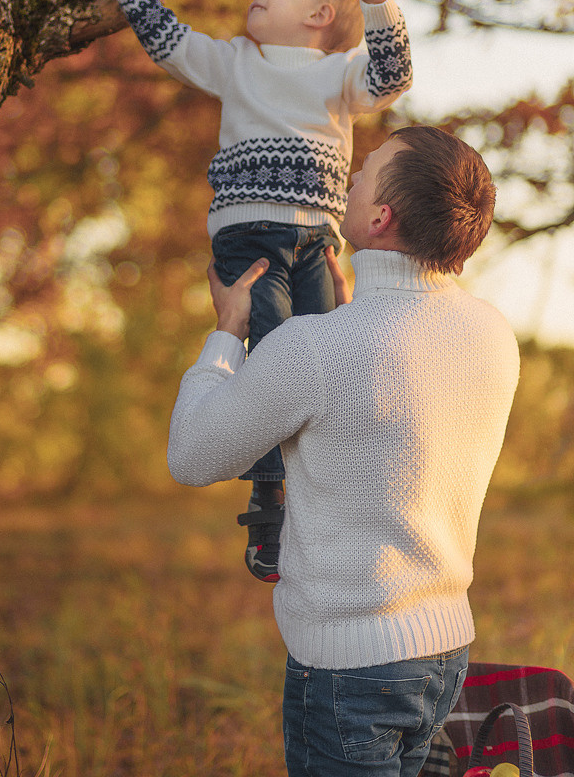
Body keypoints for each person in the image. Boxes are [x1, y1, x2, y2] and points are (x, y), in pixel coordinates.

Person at [65, 0, 413, 581]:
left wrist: (379, 3)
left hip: (315, 241)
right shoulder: (234, 63)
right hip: (248, 240)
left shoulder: (341, 76)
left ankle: (326, 498)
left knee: (324, 361)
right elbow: (164, 36)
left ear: (317, 17)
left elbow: (393, 74)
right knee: (274, 361)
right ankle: (269, 507)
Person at [167, 126, 521, 777]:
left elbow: (191, 454)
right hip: (445, 652)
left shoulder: (315, 347)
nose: (351, 175)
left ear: (381, 217)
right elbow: (400, 408)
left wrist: (226, 334)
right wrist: (353, 317)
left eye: (368, 169)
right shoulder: (493, 334)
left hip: (348, 670)